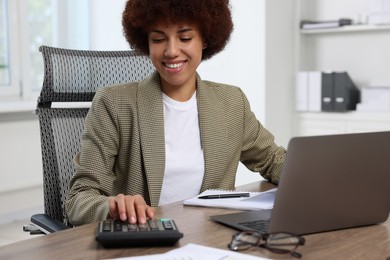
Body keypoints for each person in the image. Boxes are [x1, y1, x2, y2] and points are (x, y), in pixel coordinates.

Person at [65, 0, 286, 226]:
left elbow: (272, 159)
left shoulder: (231, 103)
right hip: (145, 241)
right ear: (146, 42)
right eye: (158, 39)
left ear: (205, 39)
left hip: (214, 242)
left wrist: (316, 176)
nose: (171, 51)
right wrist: (112, 207)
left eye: (185, 38)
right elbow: (79, 198)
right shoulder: (114, 104)